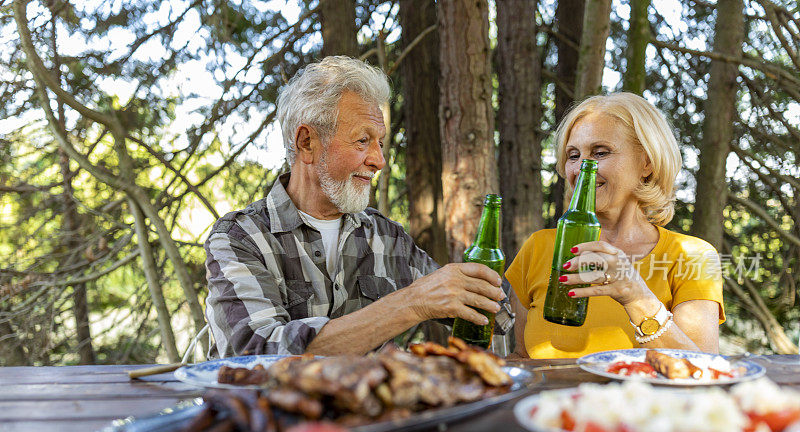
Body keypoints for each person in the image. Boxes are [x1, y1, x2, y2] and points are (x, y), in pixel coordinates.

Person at [205, 56, 508, 357]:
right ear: (307, 143)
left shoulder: (387, 238)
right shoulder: (239, 237)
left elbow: (495, 316)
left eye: (380, 142)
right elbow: (255, 356)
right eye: (363, 140)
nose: (379, 160)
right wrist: (411, 303)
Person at [506, 92, 724, 358]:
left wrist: (636, 296)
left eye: (600, 152)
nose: (580, 168)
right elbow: (522, 358)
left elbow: (704, 371)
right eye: (573, 156)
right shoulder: (539, 247)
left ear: (647, 163)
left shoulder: (693, 256)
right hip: (550, 401)